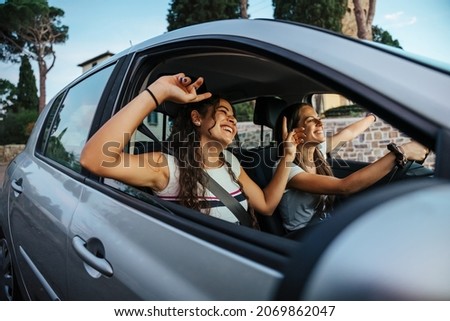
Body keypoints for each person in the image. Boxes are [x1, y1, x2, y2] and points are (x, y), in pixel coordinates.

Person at [80, 73, 301, 228]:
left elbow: (267, 206)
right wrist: (159, 91)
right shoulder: (166, 167)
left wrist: (289, 156)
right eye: (223, 112)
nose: (232, 118)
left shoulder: (230, 162)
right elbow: (94, 159)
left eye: (234, 115)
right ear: (197, 118)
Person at [274, 102, 429, 232]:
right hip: (302, 236)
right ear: (294, 132)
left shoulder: (317, 151)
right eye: (310, 120)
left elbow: (348, 133)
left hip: (324, 222)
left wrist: (373, 116)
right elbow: (345, 186)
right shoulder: (288, 168)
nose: (320, 122)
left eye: (318, 117)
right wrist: (402, 152)